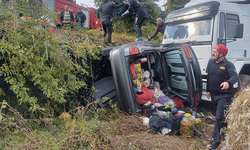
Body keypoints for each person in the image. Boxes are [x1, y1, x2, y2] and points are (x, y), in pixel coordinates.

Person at [206, 44, 238, 150]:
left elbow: (235, 77)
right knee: (221, 118)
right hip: (214, 95)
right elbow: (208, 77)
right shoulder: (211, 62)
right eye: (213, 51)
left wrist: (228, 83)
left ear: (221, 54)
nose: (212, 53)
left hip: (224, 95)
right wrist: (207, 90)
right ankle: (225, 135)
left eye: (215, 52)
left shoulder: (229, 65)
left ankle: (215, 143)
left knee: (219, 117)